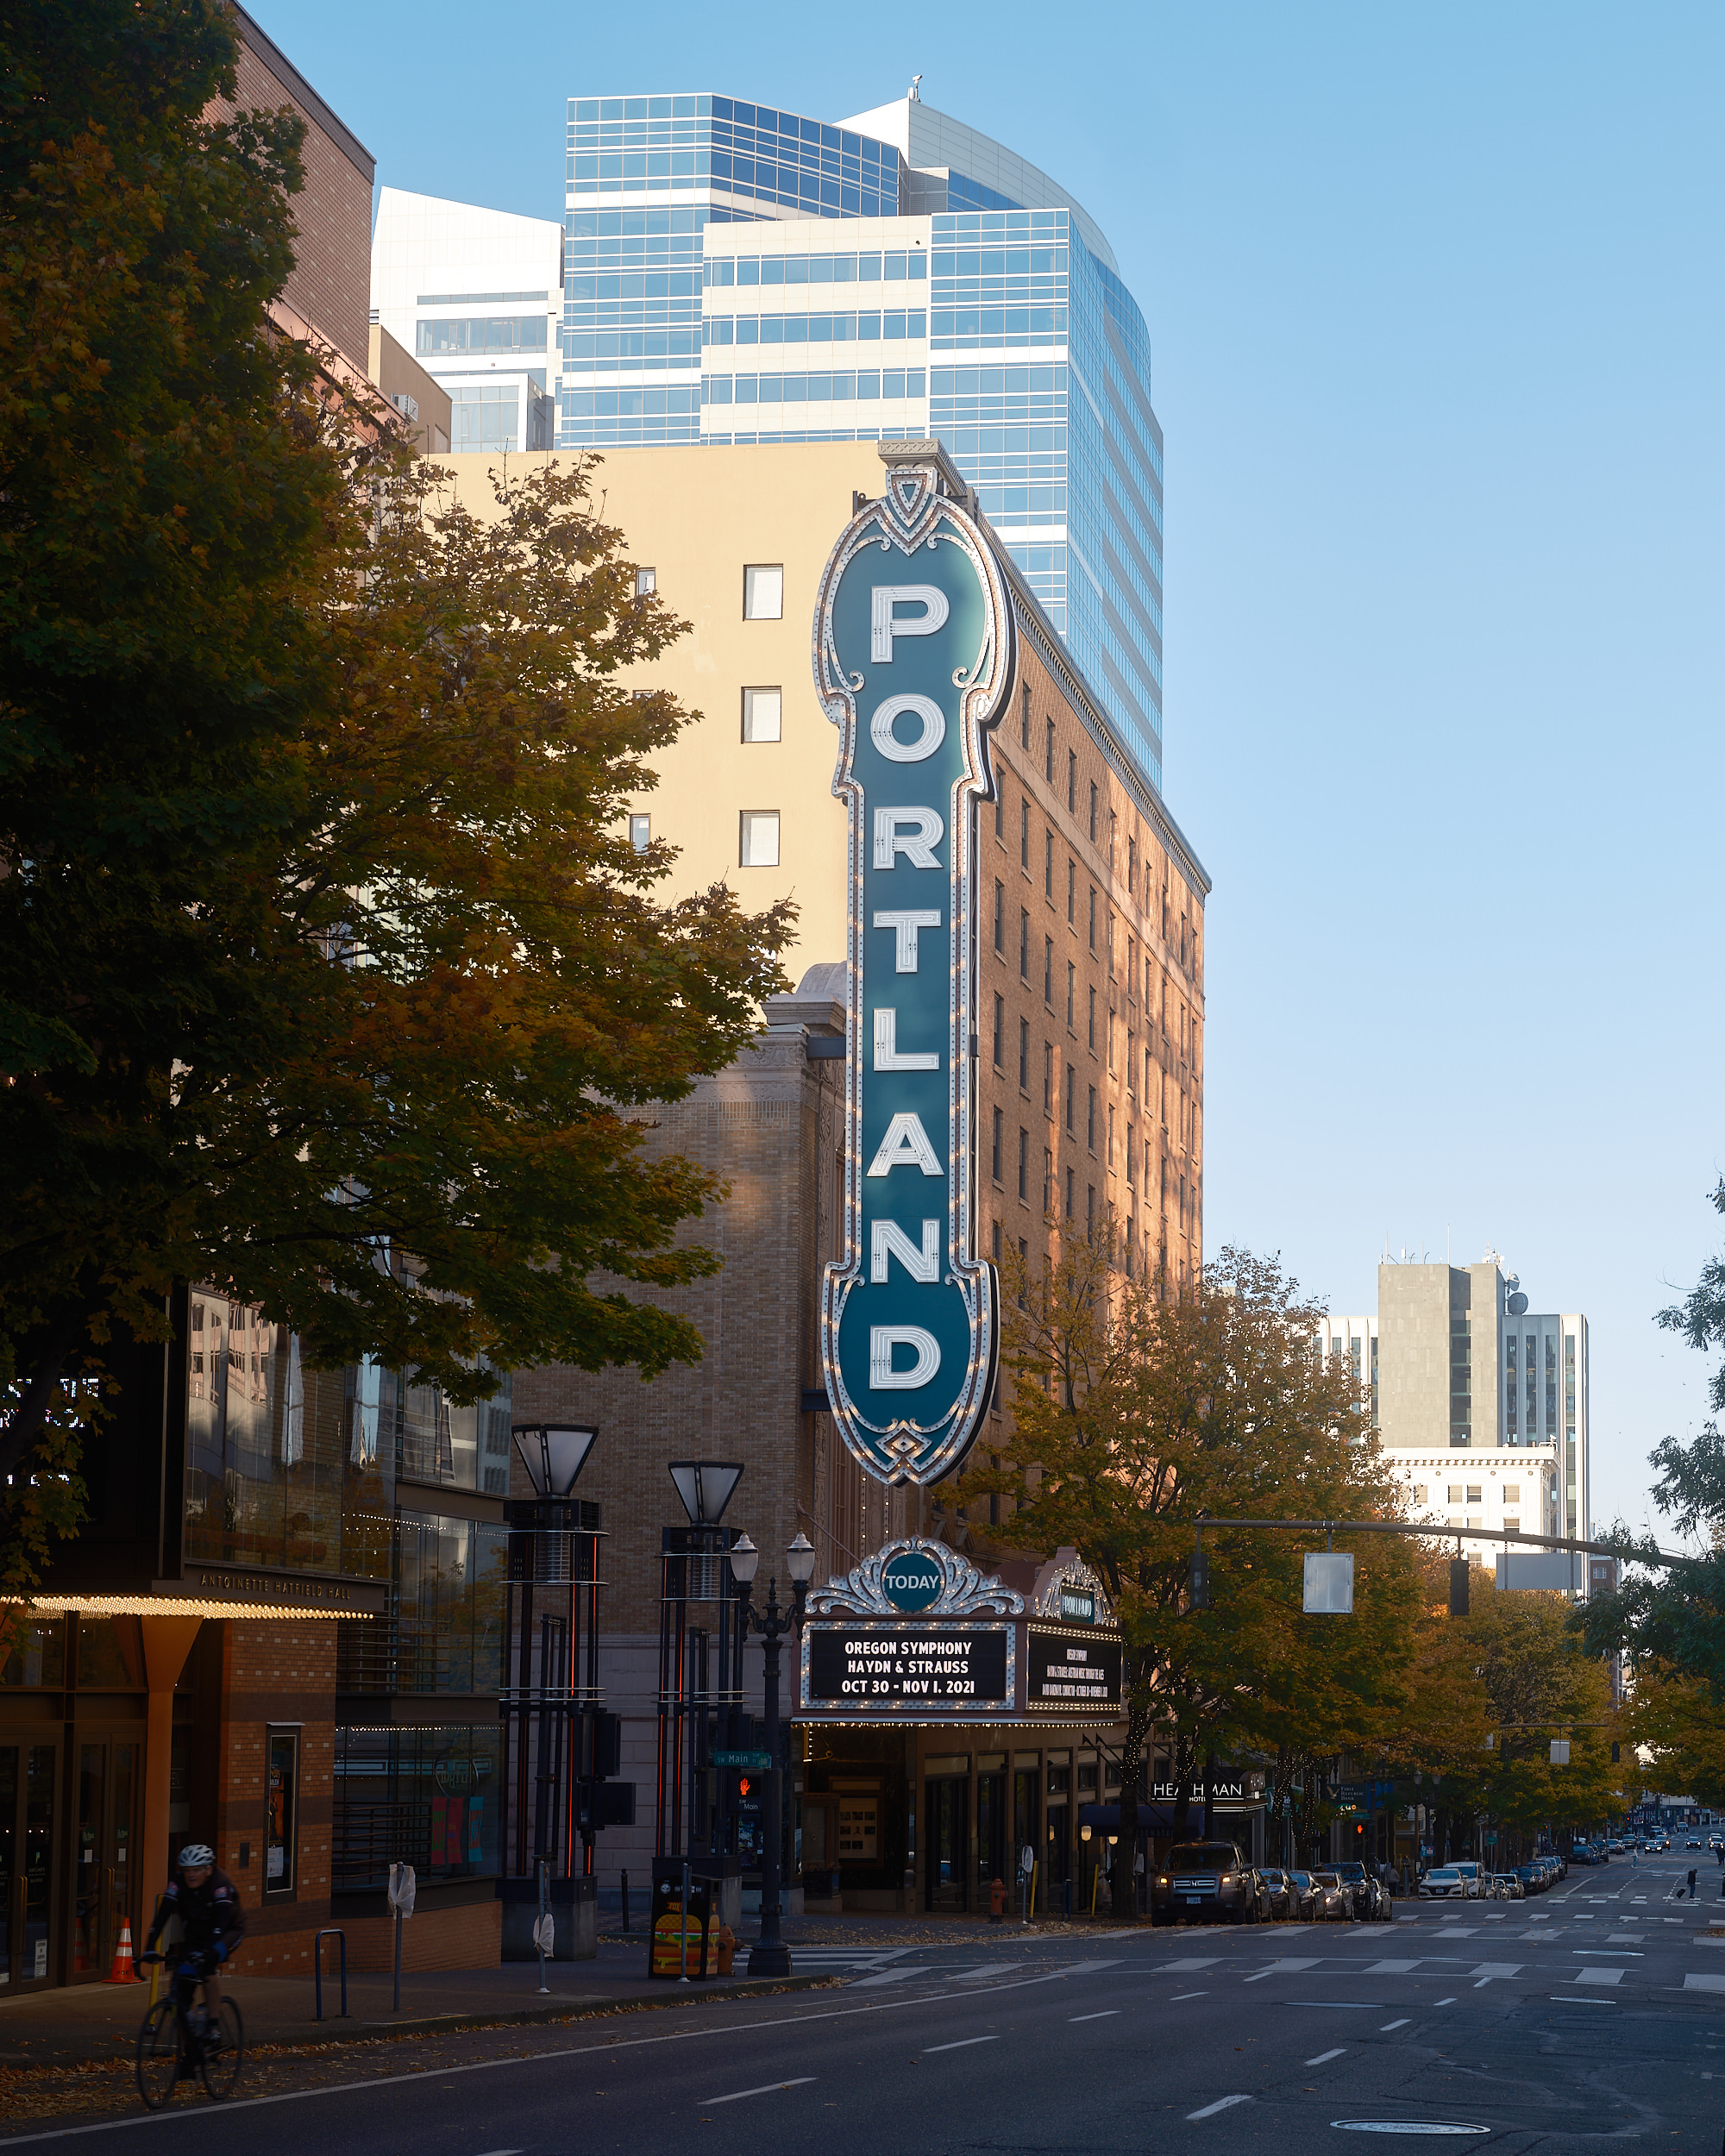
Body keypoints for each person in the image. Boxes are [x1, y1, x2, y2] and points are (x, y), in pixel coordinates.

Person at [140, 1845, 247, 2032]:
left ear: (209, 1869)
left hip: (228, 1931)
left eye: (197, 1870)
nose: (191, 1875)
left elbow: (222, 1921)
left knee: (207, 1964)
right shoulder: (178, 1882)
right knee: (183, 1989)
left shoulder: (220, 1883)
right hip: (196, 1932)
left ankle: (213, 2024)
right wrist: (149, 1947)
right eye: (187, 1870)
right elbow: (163, 1914)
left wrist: (208, 1951)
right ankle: (189, 2051)